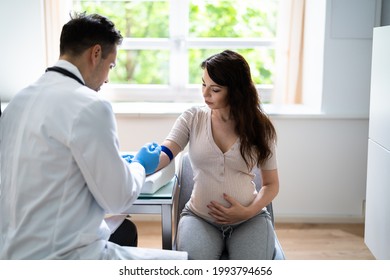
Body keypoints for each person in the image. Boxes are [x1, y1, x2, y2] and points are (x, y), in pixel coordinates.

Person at [0, 12, 187, 260]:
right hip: (59, 258)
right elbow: (118, 199)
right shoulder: (90, 105)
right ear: (95, 53)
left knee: (124, 230)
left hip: (11, 251)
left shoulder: (18, 101)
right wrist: (140, 165)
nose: (107, 79)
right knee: (186, 264)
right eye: (110, 66)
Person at [156, 50, 279, 260]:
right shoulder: (192, 118)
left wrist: (247, 212)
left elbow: (271, 184)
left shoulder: (260, 127)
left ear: (236, 91)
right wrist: (139, 164)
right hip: (199, 217)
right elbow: (166, 153)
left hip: (250, 219)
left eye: (215, 89)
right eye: (203, 85)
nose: (205, 95)